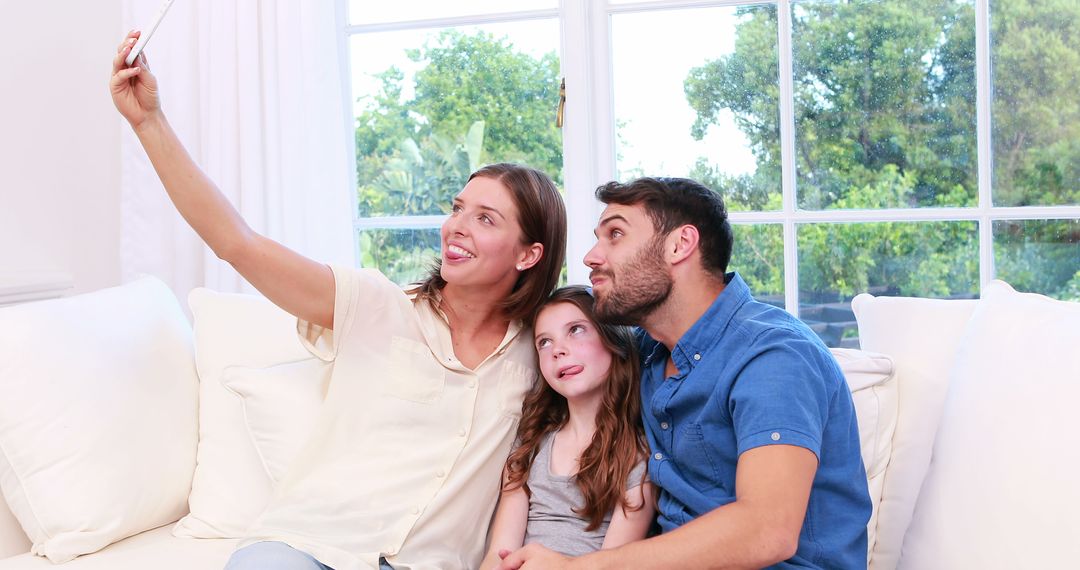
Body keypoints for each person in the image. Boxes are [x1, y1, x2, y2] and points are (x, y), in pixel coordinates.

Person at [109, 31, 567, 570]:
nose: (454, 228)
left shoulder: (543, 356)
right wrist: (148, 122)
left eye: (485, 219)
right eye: (457, 208)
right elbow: (238, 243)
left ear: (529, 255)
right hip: (307, 547)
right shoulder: (375, 304)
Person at [498, 177, 871, 569]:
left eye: (616, 235)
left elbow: (767, 530)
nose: (592, 256)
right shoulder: (645, 354)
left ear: (680, 245)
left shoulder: (773, 356)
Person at [479, 286, 656, 570]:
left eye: (575, 330)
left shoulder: (639, 454)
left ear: (612, 338)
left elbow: (614, 564)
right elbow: (497, 555)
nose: (558, 350)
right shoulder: (531, 443)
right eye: (544, 342)